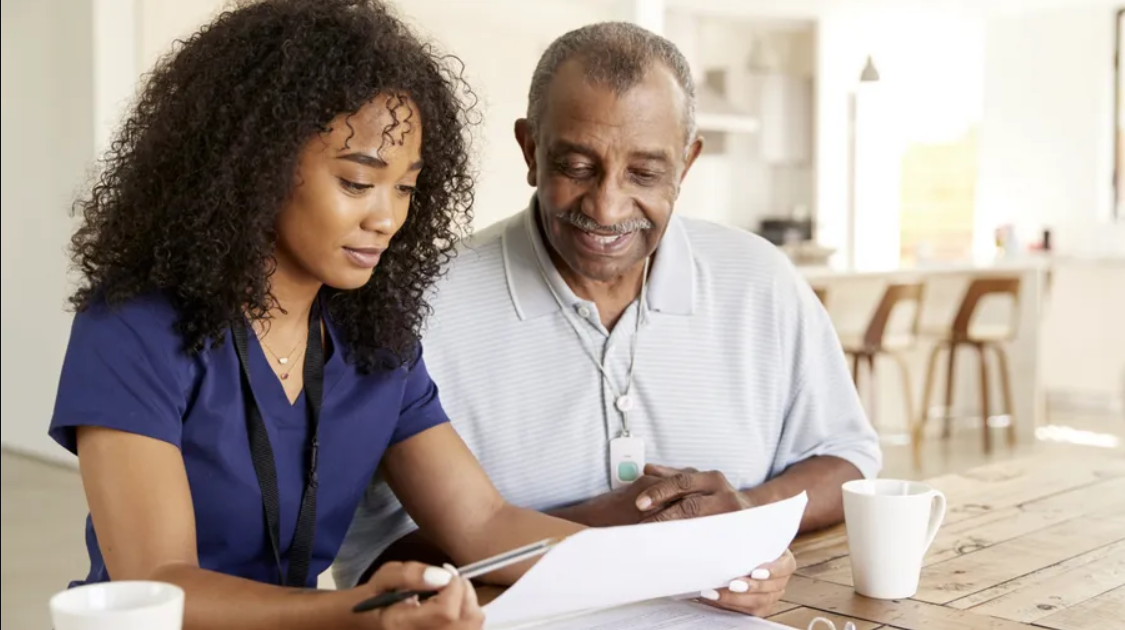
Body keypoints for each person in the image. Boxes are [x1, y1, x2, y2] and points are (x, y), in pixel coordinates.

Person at [48, 2, 581, 629]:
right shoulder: (132, 327)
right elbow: (159, 586)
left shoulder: (374, 341)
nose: (386, 218)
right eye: (357, 182)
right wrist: (355, 612)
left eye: (406, 187)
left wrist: (675, 563)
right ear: (255, 167)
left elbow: (485, 523)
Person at [336, 21, 882, 617]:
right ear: (530, 150)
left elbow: (847, 457)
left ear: (687, 163)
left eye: (645, 173)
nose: (607, 206)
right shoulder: (417, 304)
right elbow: (376, 564)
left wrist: (746, 519)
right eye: (576, 166)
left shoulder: (761, 279)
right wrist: (616, 532)